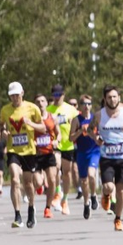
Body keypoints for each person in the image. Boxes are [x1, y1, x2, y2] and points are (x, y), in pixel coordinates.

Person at [0, 82, 47, 229]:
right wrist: (4, 133)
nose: (14, 98)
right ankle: (17, 215)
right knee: (14, 179)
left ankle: (31, 209)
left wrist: (31, 124)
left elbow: (43, 128)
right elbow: (2, 126)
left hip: (29, 151)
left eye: (17, 95)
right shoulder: (5, 110)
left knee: (28, 183)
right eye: (12, 95)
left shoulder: (32, 108)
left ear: (22, 93)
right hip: (13, 150)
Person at [97, 86, 123, 232]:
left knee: (121, 191)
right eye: (109, 97)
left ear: (119, 98)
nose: (112, 99)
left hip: (122, 157)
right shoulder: (99, 115)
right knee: (109, 186)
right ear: (105, 99)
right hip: (106, 157)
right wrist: (96, 138)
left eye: (115, 97)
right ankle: (106, 194)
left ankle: (118, 219)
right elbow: (91, 129)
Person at [48, 84, 79, 214]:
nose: (57, 97)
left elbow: (78, 122)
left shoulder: (70, 109)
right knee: (56, 167)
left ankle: (65, 199)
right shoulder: (49, 110)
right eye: (54, 95)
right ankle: (57, 192)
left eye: (59, 95)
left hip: (68, 144)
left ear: (63, 95)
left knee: (67, 173)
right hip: (54, 145)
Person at [70, 94, 101, 220]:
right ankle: (86, 203)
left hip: (94, 151)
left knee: (91, 174)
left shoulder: (95, 118)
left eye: (89, 104)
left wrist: (95, 136)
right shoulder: (76, 120)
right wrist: (80, 131)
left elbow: (100, 134)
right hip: (82, 153)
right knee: (83, 180)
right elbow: (71, 138)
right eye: (84, 104)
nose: (86, 106)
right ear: (80, 106)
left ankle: (93, 195)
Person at [32, 93, 61, 218]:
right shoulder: (32, 119)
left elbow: (58, 134)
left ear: (46, 103)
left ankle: (47, 208)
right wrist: (32, 142)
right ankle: (39, 187)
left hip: (49, 153)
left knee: (52, 179)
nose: (40, 103)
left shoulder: (52, 117)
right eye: (38, 101)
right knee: (38, 182)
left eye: (43, 101)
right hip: (36, 154)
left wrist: (57, 141)